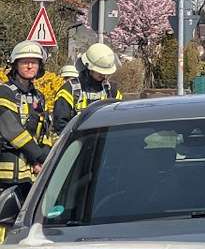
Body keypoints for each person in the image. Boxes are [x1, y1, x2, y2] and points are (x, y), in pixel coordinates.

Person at [0, 41, 52, 211]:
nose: (30, 66)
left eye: (34, 62)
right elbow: (12, 130)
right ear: (15, 65)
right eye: (25, 62)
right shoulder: (5, 92)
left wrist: (45, 154)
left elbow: (45, 131)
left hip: (32, 173)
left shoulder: (39, 96)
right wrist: (39, 157)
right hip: (8, 173)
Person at [52, 43, 122, 135]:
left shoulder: (111, 91)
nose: (103, 75)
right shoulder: (69, 90)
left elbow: (120, 118)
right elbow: (60, 124)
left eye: (105, 72)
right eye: (99, 71)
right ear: (88, 66)